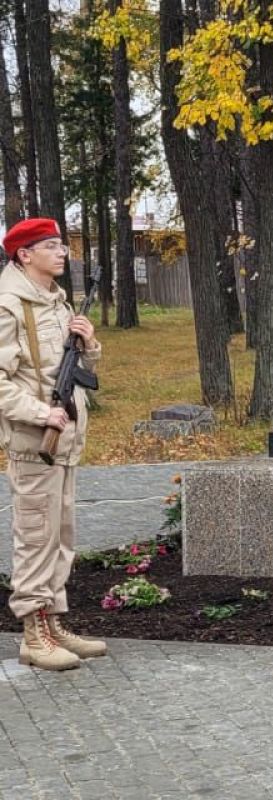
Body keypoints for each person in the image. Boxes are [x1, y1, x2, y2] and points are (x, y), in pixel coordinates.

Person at [0, 217, 104, 671]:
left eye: (62, 245)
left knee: (61, 537)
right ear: (25, 255)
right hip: (33, 441)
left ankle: (53, 620)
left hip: (65, 441)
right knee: (36, 537)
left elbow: (72, 366)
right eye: (52, 246)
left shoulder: (56, 301)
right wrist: (42, 413)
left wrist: (90, 342)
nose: (63, 252)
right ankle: (32, 634)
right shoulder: (9, 306)